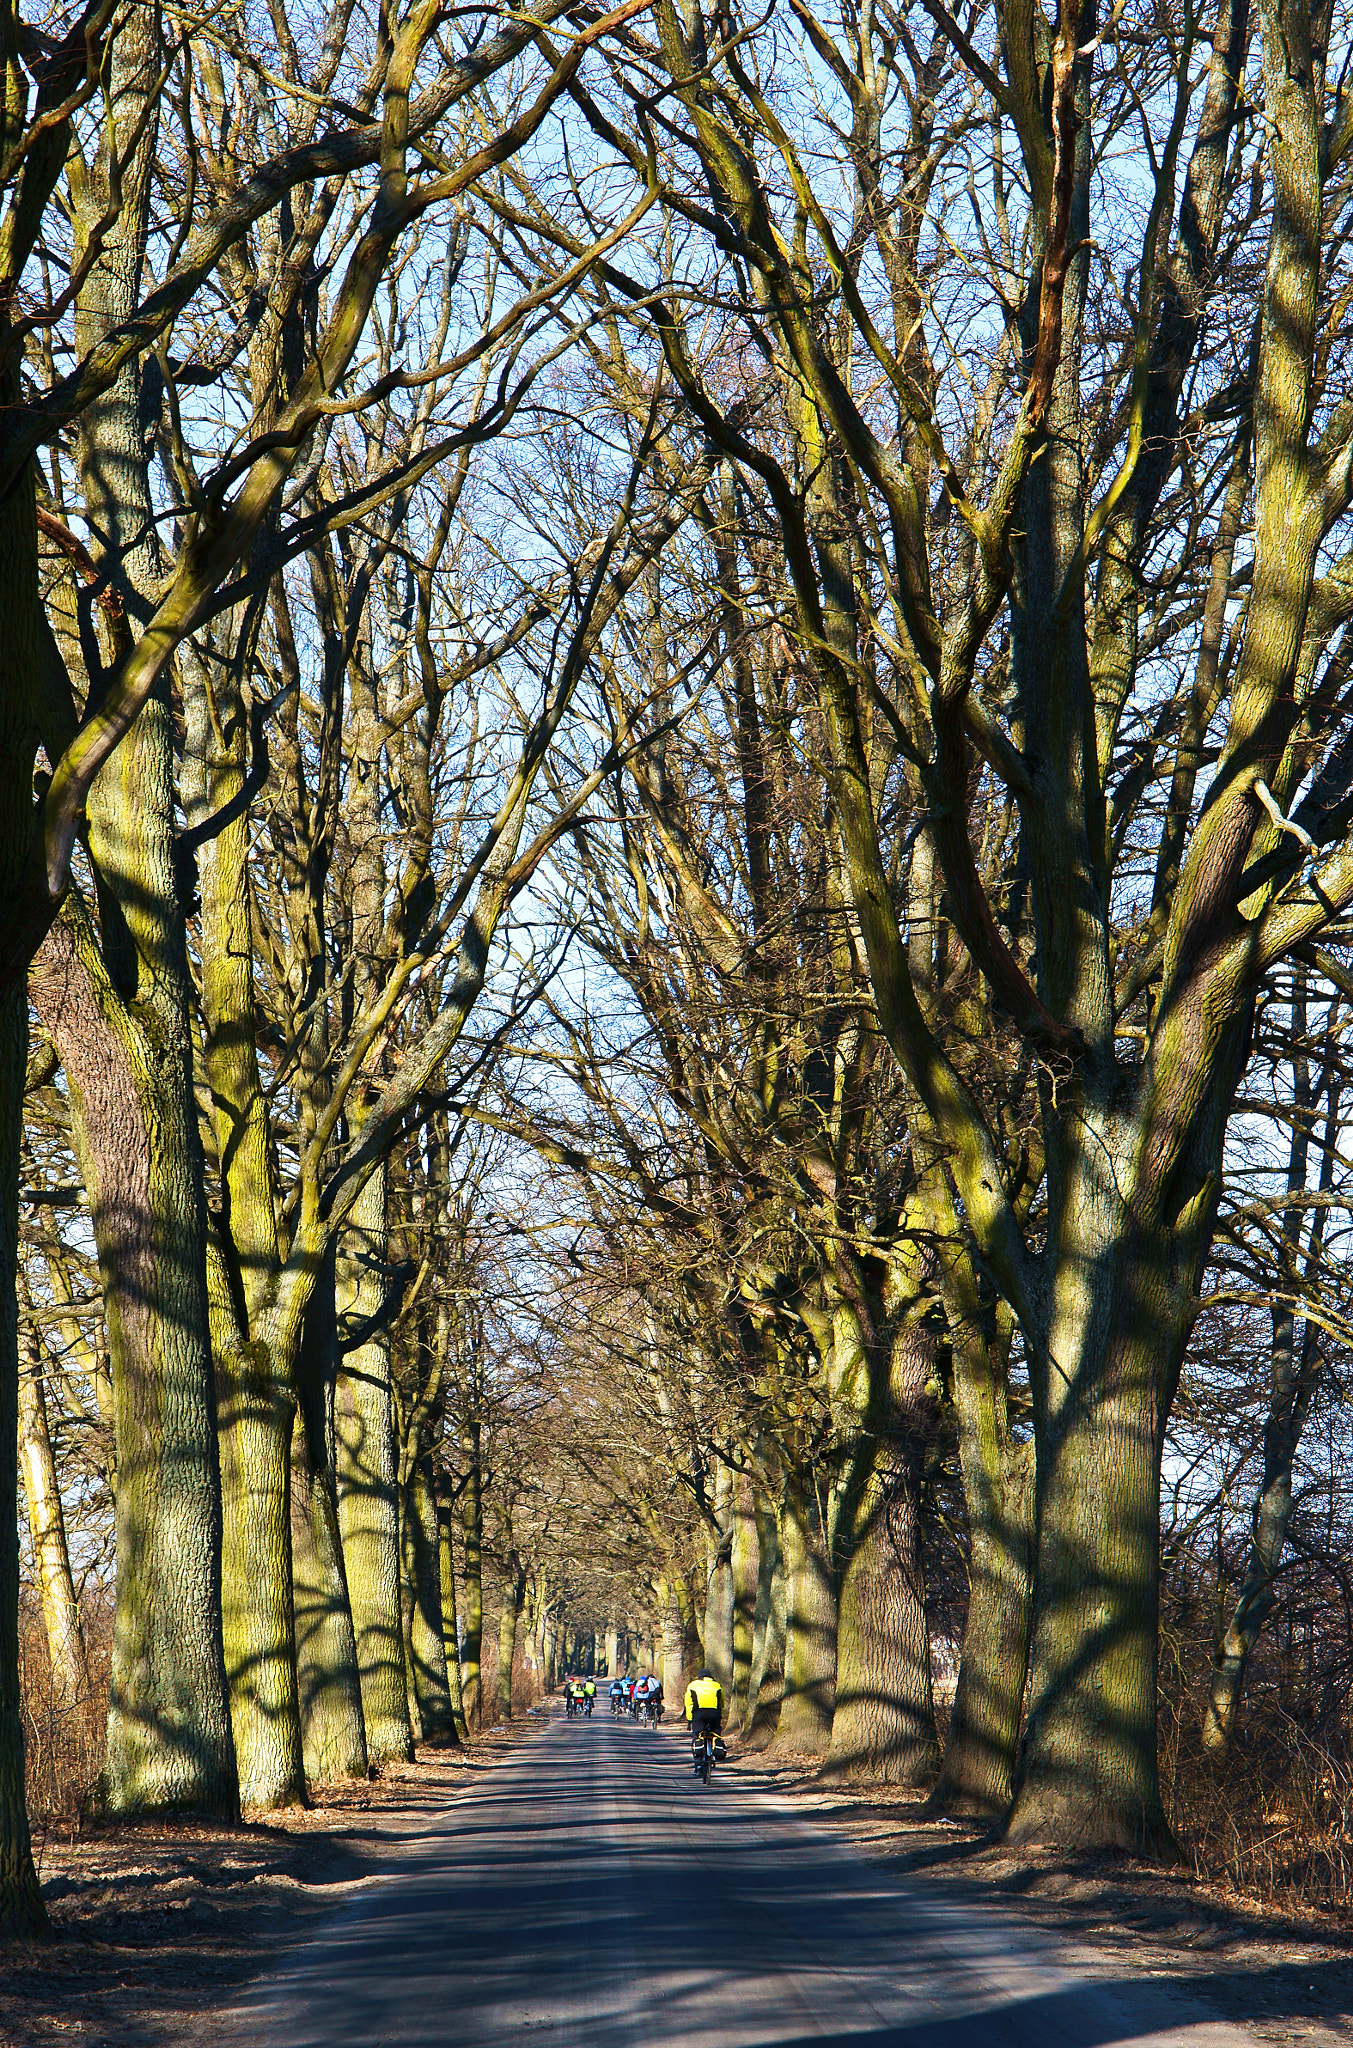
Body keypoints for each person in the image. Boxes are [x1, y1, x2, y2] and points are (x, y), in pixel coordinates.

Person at [684, 1668, 723, 1772]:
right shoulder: (717, 1685)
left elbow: (688, 1704)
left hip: (699, 1713)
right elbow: (721, 1702)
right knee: (715, 1733)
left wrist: (690, 1719)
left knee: (697, 1734)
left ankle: (698, 1764)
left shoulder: (692, 1685)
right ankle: (715, 1747)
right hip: (714, 1713)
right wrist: (720, 1714)